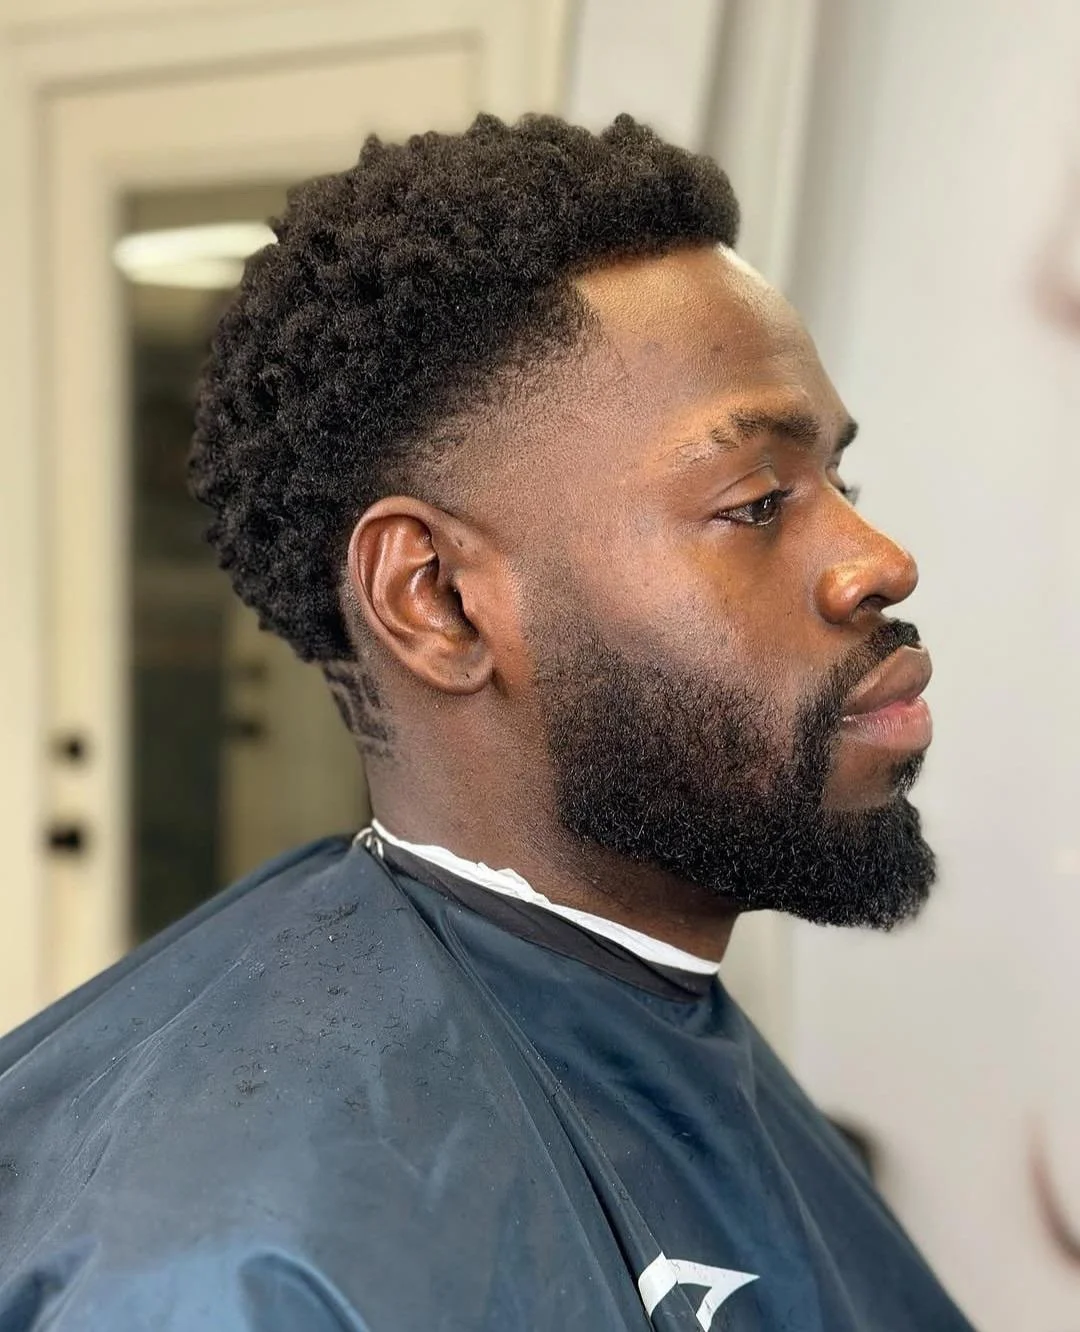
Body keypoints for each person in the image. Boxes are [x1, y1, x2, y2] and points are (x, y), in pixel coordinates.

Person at [0, 114, 974, 1330]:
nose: (879, 562)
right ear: (440, 600)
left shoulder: (650, 1002)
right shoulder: (232, 1266)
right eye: (759, 500)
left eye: (845, 484)